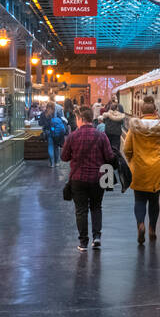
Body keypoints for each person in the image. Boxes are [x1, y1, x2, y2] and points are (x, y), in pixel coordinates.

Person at [60, 106, 114, 252]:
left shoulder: (72, 137)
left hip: (78, 179)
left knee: (81, 210)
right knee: (96, 207)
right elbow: (110, 157)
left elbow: (64, 157)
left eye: (77, 119)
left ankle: (83, 242)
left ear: (81, 119)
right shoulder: (101, 136)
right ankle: (97, 237)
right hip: (98, 178)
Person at [122, 95, 160, 244]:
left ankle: (141, 225)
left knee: (139, 200)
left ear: (141, 112)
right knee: (154, 201)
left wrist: (131, 160)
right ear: (155, 111)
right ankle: (152, 229)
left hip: (139, 169)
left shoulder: (134, 128)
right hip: (158, 169)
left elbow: (127, 148)